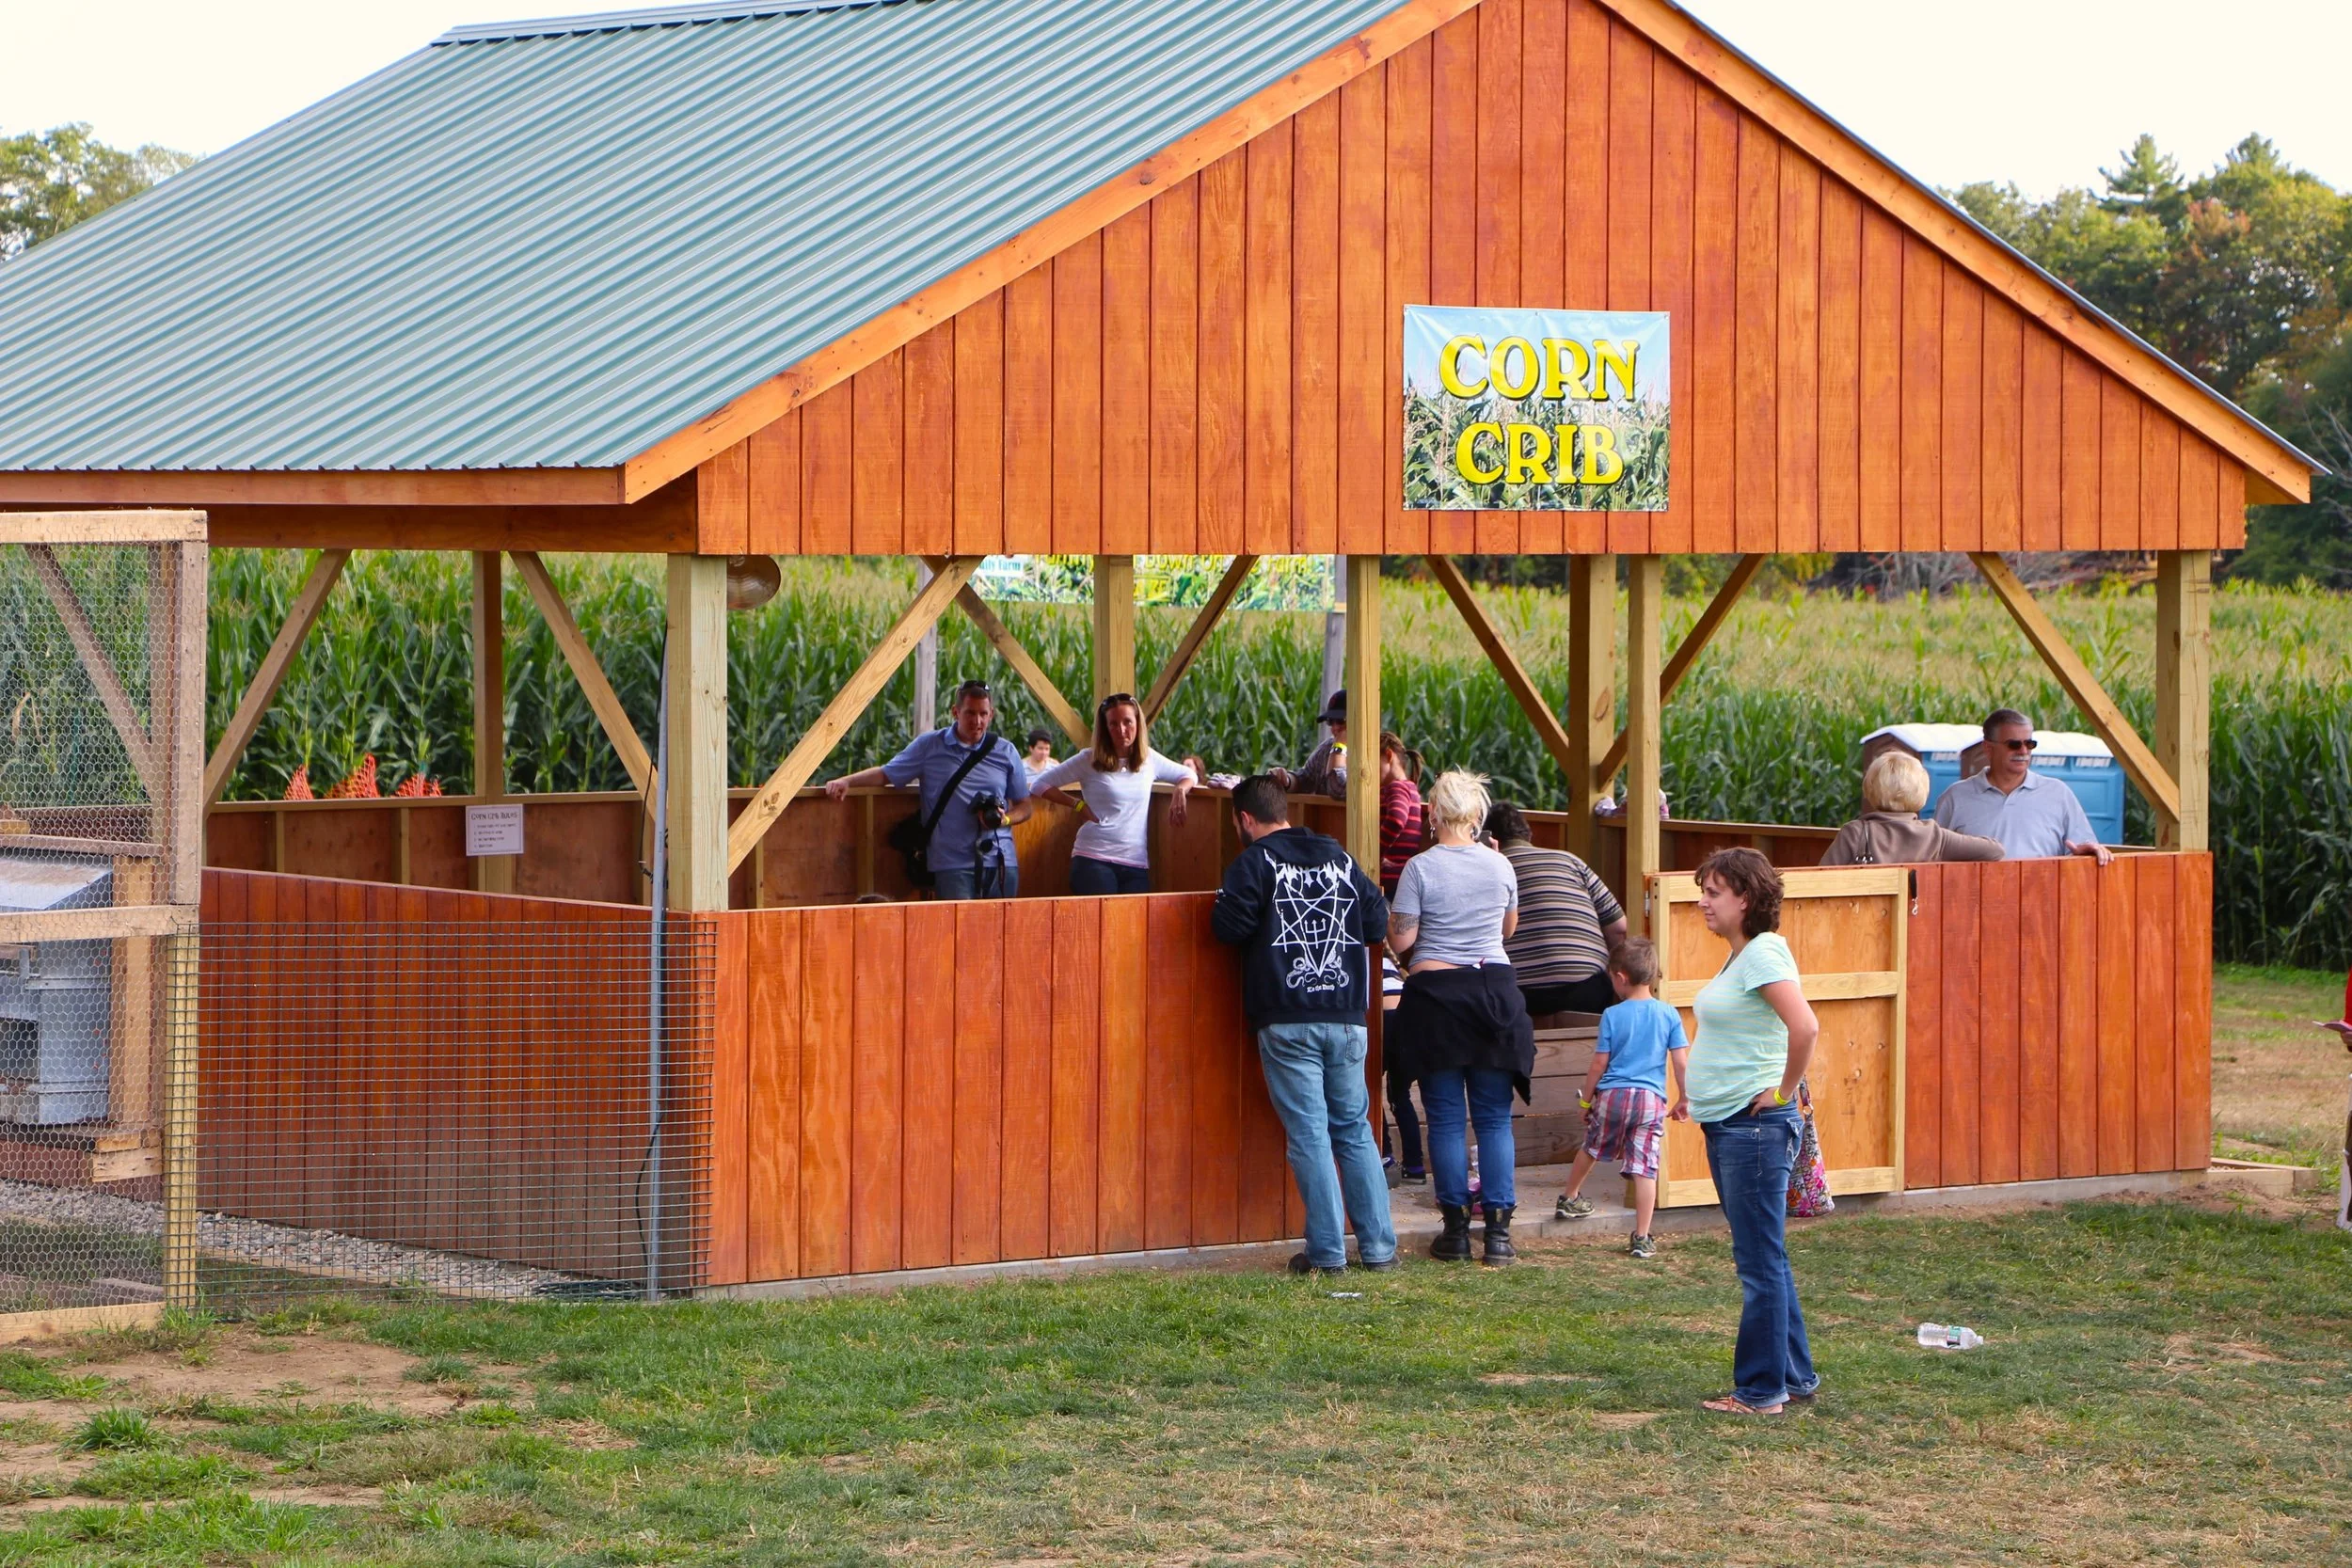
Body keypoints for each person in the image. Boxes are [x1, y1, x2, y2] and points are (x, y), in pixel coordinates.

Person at [1210, 774, 1397, 1274]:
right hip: (1347, 1015)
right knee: (1355, 1132)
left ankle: (1328, 1254)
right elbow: (1379, 924)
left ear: (1245, 819)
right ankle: (1379, 1250)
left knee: (1311, 1136)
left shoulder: (1253, 863)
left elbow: (1227, 928)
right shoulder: (1339, 858)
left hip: (1288, 1016)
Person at [1673, 847, 1821, 1416]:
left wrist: (1783, 1092)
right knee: (1768, 1258)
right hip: (1731, 1124)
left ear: (1747, 898)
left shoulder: (1761, 954)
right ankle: (1795, 1376)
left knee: (1759, 1264)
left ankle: (1762, 1391)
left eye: (1713, 892)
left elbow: (1804, 1026)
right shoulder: (1743, 957)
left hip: (1752, 1128)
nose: (1703, 902)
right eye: (1703, 890)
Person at [1386, 769, 1534, 1266]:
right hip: (1495, 992)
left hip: (1436, 996)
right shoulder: (1500, 865)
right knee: (1494, 1118)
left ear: (1432, 812)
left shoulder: (1420, 869)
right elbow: (1507, 928)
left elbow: (1403, 940)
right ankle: (1497, 1235)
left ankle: (1453, 1231)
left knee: (1447, 1118)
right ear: (1476, 814)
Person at [826, 678, 1033, 901]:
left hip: (1001, 862)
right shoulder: (930, 746)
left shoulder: (1005, 751)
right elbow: (887, 773)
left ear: (991, 714)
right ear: (955, 712)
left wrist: (1004, 820)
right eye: (970, 713)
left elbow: (1025, 806)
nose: (978, 721)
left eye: (983, 714)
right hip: (953, 864)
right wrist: (847, 781)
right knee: (958, 933)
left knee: (1001, 933)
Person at [1552, 937, 1689, 1258]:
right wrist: (1685, 1098)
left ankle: (1570, 1197)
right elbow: (1681, 1062)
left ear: (1621, 978)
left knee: (1593, 1146)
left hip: (1613, 1096)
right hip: (1650, 1101)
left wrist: (1586, 1102)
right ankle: (1641, 1237)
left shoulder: (1613, 1015)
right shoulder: (1669, 1015)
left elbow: (1599, 1063)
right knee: (1645, 1168)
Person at [1026, 692, 1197, 895]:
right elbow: (1039, 785)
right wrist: (1077, 804)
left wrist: (1180, 790)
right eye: (1113, 724)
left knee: (1135, 926)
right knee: (1103, 925)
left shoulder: (1149, 759)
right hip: (1093, 858)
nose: (1121, 730)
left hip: (1136, 862)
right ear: (1105, 728)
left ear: (1138, 723)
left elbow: (1188, 774)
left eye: (1127, 722)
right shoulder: (1089, 759)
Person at [1486, 800, 1629, 1018]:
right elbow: (1619, 928)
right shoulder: (1570, 861)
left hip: (1520, 996)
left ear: (1488, 840)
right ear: (1528, 834)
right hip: (1587, 990)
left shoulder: (1489, 871)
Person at [1931, 709, 2113, 863]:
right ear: (1988, 748)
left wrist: (2087, 853)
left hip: (2042, 901)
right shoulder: (1955, 797)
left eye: (2029, 744)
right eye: (2014, 744)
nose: (2024, 751)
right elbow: (1934, 859)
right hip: (1974, 901)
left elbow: (2081, 850)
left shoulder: (2058, 793)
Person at [1375, 733, 1429, 1183]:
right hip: (1407, 1018)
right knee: (1400, 1097)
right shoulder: (1411, 787)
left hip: (1390, 882)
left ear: (1387, 758)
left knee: (1380, 1096)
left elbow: (1393, 823)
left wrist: (1371, 849)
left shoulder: (1395, 790)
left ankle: (1391, 1160)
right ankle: (1413, 1165)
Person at [1820, 752, 2006, 866]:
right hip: (1920, 922)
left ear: (1870, 789)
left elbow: (1819, 880)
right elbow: (1995, 850)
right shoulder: (1934, 836)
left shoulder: (1855, 833)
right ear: (1921, 790)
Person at [1270, 689, 1348, 799]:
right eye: (1331, 721)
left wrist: (1339, 748)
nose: (1335, 728)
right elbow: (1305, 779)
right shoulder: (1327, 748)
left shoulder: (1376, 754)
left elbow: (1337, 789)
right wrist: (1285, 780)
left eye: (1341, 721)